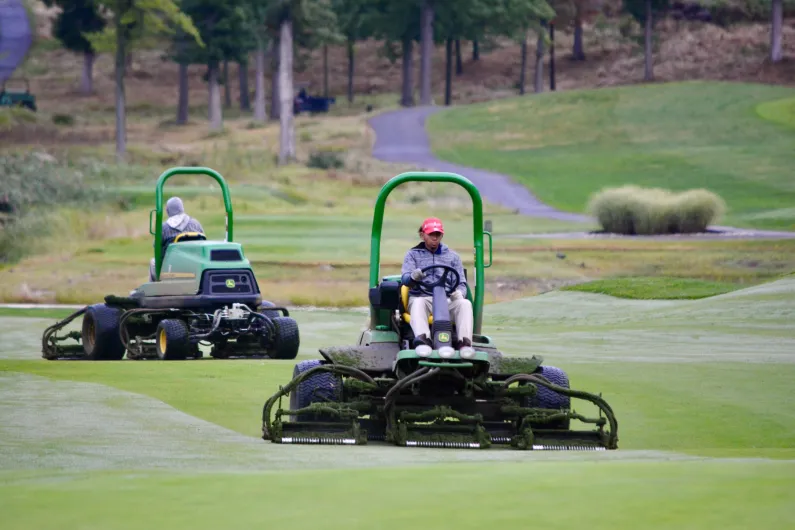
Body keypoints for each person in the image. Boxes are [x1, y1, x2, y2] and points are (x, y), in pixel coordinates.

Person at [400, 217, 475, 359]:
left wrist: (460, 293)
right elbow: (405, 279)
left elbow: (462, 283)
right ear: (422, 235)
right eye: (431, 235)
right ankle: (423, 341)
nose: (434, 238)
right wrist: (412, 277)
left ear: (442, 235)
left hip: (446, 299)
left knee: (464, 304)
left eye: (437, 235)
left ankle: (464, 343)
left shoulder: (453, 256)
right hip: (422, 296)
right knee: (418, 303)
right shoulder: (412, 254)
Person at [148, 197, 205, 281]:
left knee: (153, 262)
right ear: (182, 208)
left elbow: (156, 247)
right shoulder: (196, 224)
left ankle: (156, 286)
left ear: (168, 211)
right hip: (194, 264)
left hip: (171, 266)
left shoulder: (164, 228)